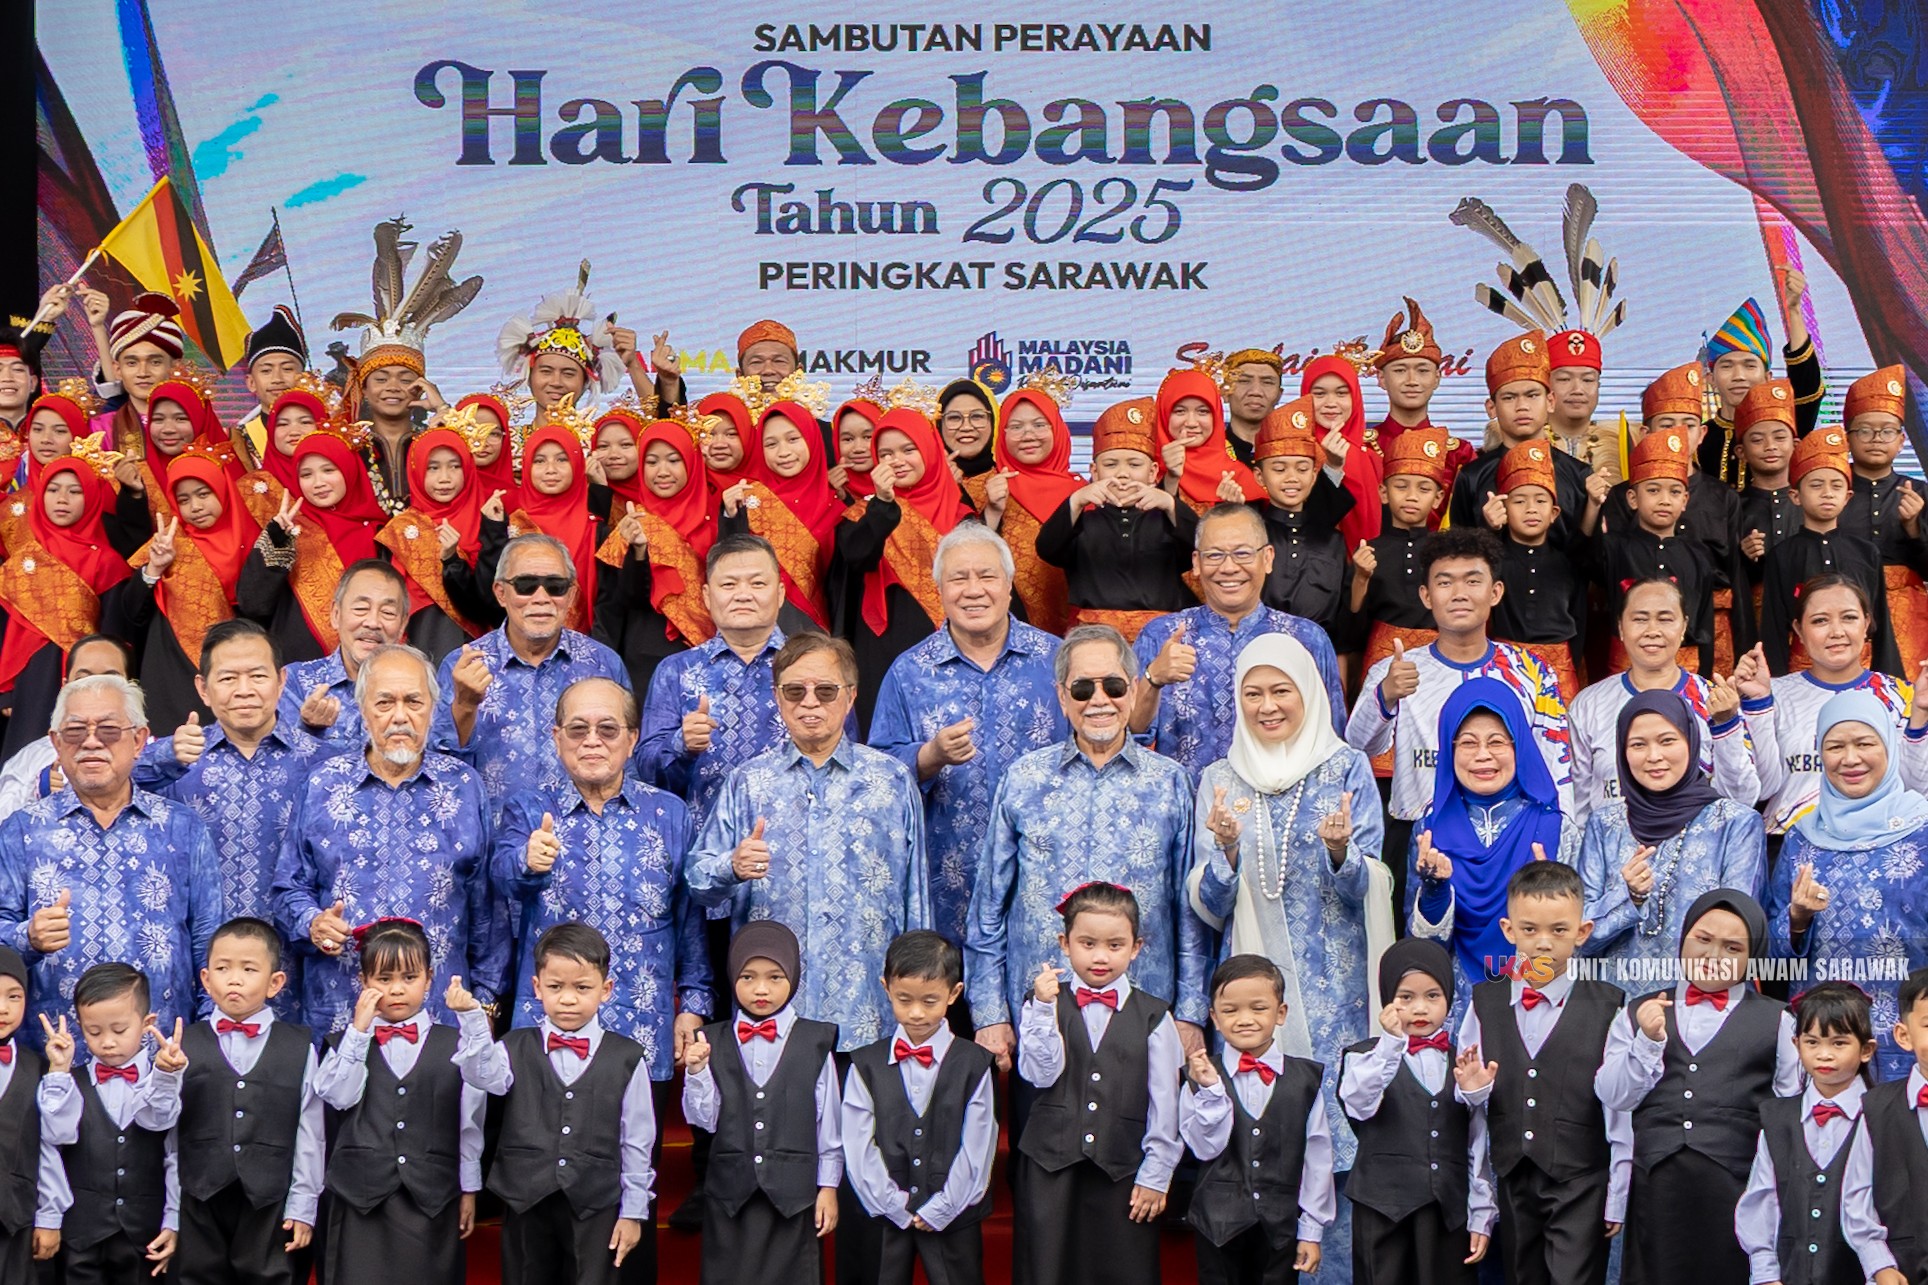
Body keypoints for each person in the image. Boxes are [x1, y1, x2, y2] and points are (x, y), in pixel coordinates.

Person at [1187, 631, 1386, 1220]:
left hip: (1336, 994)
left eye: (1282, 690)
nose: (1267, 706)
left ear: (1310, 693)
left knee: (1336, 1142)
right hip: (1251, 997)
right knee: (1259, 1144)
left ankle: (1334, 1262)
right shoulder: (1220, 779)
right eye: (1253, 693)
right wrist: (1225, 853)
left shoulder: (1346, 768)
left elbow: (1368, 887)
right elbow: (1208, 904)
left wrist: (1341, 853)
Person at [967, 626, 1207, 1072]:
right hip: (1041, 1017)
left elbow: (1188, 912)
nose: (1099, 700)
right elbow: (988, 907)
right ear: (1062, 697)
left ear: (1132, 691)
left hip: (1143, 1015)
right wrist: (989, 1013)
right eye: (1082, 688)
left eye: (1113, 686)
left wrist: (1191, 1012)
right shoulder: (1024, 779)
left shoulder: (1170, 782)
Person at [687, 632, 929, 1052]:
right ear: (778, 698)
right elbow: (696, 881)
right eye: (795, 691)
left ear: (850, 696)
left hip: (868, 1014)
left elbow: (917, 903)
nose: (810, 703)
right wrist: (732, 866)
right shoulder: (748, 783)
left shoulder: (891, 781)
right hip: (773, 1016)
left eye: (826, 691)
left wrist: (918, 999)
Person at [272, 643, 503, 1035]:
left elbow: (488, 910)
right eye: (384, 703)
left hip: (441, 1021)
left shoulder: (465, 786)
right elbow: (287, 888)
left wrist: (485, 1004)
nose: (400, 716)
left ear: (433, 708)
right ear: (363, 710)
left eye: (413, 701)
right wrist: (313, 923)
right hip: (341, 1013)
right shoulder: (323, 783)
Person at [1347, 528, 1575, 918]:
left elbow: (1556, 761)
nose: (1459, 593)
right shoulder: (1394, 670)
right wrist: (1385, 696)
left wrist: (1560, 834)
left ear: (1496, 592)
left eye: (1473, 581)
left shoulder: (1532, 671)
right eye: (1444, 582)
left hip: (1511, 838)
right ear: (1425, 595)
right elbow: (1357, 747)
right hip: (1417, 834)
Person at [494, 677, 710, 1081]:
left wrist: (693, 1004)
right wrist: (527, 861)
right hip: (547, 1031)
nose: (592, 741)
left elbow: (689, 918)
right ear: (557, 738)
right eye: (578, 729)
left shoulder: (670, 814)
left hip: (642, 1026)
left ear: (632, 739)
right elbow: (502, 879)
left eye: (608, 729)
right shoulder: (529, 809)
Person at [868, 525, 1065, 948]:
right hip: (947, 878)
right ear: (939, 589)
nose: (973, 590)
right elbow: (876, 775)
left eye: (986, 576)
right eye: (958, 578)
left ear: (1009, 585)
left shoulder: (1055, 660)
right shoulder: (909, 671)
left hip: (1044, 869)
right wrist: (930, 755)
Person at [1594, 888, 1801, 1285]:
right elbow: (1613, 1096)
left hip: (1738, 1191)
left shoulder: (1778, 1021)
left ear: (1753, 957)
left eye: (1732, 948)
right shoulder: (1636, 1013)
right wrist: (1647, 1042)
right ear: (1683, 938)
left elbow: (1790, 1111)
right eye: (1702, 939)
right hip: (1656, 1190)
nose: (1713, 955)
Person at [0, 673, 221, 1039]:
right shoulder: (20, 831)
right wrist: (29, 937)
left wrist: (207, 1040)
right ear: (56, 743)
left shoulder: (182, 828)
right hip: (54, 1052)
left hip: (163, 1048)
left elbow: (209, 940)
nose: (91, 742)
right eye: (75, 731)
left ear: (138, 740)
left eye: (108, 730)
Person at [1456, 860, 1629, 1285]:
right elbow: (1471, 1110)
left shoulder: (1609, 1006)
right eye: (1530, 929)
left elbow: (1621, 1109)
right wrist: (1473, 1090)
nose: (1544, 942)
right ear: (1508, 930)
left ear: (1582, 932)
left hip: (1582, 1181)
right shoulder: (1484, 1002)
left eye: (1559, 930)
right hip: (1514, 1176)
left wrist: (1618, 1193)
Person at [135, 620, 317, 1022]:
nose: (244, 690)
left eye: (258, 676)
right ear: (203, 688)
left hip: (295, 967)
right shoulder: (178, 758)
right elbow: (105, 784)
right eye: (228, 678)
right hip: (201, 970)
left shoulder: (320, 762)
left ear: (281, 681)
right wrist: (161, 758)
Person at [454, 923, 656, 1285]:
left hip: (595, 1201)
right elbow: (480, 1075)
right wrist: (472, 1019)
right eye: (555, 986)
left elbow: (637, 1139)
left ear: (606, 989)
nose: (568, 999)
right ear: (537, 988)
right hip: (525, 1197)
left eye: (582, 988)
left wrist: (634, 1211)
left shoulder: (627, 1057)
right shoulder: (513, 1046)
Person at [1011, 882, 1182, 1285]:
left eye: (1115, 945)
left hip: (1121, 1171)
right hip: (1050, 1168)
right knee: (1047, 1269)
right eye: (1087, 944)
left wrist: (1156, 1175)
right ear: (1065, 944)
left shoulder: (1155, 1016)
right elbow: (1039, 1074)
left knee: (1121, 1269)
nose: (1101, 956)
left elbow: (1165, 1104)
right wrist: (1043, 1009)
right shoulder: (1042, 1003)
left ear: (1135, 948)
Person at [1766, 690, 1928, 1081]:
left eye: (1865, 743)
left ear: (1888, 746)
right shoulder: (1802, 837)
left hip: (1906, 1042)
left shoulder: (1922, 831)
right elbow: (1768, 954)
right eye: (1835, 746)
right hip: (1823, 1044)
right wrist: (1796, 920)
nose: (1850, 759)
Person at [312, 917, 484, 1285]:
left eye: (409, 978)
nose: (397, 990)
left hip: (431, 1198)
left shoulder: (457, 1045)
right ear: (364, 982)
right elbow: (339, 1096)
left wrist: (469, 1189)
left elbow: (469, 1123)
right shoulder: (343, 1044)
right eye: (384, 979)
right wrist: (358, 1032)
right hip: (359, 1199)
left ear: (429, 978)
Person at [1132, 503, 1346, 781]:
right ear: (1196, 563)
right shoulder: (1160, 635)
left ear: (1267, 558)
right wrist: (1153, 679)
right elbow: (1130, 737)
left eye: (1242, 553)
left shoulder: (1305, 638)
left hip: (1280, 801)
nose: (1229, 567)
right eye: (1214, 555)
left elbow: (1332, 737)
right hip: (1188, 802)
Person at [681, 920, 842, 1284]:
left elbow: (828, 1125)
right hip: (730, 1198)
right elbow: (704, 1120)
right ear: (732, 977)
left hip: (793, 1198)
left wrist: (829, 1187)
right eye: (748, 977)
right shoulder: (710, 1040)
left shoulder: (815, 1041)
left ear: (793, 978)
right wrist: (697, 1072)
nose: (761, 989)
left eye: (775, 977)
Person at [840, 930, 996, 1285]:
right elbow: (857, 1144)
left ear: (953, 993)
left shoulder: (974, 1064)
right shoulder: (865, 1064)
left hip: (953, 1213)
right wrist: (891, 1204)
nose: (915, 1013)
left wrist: (945, 1206)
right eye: (904, 999)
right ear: (886, 988)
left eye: (929, 1001)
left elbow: (979, 1145)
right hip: (883, 1216)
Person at [175, 916, 325, 1285]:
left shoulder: (299, 1047)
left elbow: (311, 1133)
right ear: (205, 979)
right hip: (198, 1199)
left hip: (271, 1200)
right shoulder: (181, 1045)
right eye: (223, 968)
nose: (235, 979)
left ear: (275, 983)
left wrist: (303, 1207)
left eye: (249, 969)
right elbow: (167, 1133)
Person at [435, 532, 631, 812]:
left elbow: (627, 763)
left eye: (555, 586)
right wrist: (465, 706)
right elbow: (437, 767)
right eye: (526, 585)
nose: (541, 598)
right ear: (500, 593)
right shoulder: (463, 665)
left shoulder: (602, 664)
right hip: (493, 833)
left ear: (571, 595)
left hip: (581, 833)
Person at [1408, 678, 1572, 1009]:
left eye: (1496, 742)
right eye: (1468, 743)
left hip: (1537, 995)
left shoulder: (1553, 828)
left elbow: (1579, 935)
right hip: (1457, 1004)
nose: (1483, 755)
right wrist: (1435, 890)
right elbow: (1422, 947)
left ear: (1518, 746)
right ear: (1450, 749)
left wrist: (1547, 900)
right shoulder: (1429, 832)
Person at [1575, 691, 1766, 972]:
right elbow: (1578, 937)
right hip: (1612, 996)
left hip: (1698, 994)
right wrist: (1629, 897)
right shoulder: (1604, 824)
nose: (1654, 756)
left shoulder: (1735, 824)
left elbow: (1738, 934)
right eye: (1638, 744)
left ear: (1691, 742)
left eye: (1667, 741)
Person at [1340, 938, 1495, 1285]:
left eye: (1432, 996)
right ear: (1387, 999)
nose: (1420, 1009)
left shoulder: (1463, 1062)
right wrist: (1390, 1045)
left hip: (1447, 1213)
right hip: (1383, 1213)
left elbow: (1476, 1145)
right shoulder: (1365, 1058)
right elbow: (1358, 1104)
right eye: (1406, 997)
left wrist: (1481, 1213)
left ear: (1449, 998)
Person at [1734, 576, 1928, 842]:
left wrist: (1920, 716)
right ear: (1798, 629)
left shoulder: (1904, 696)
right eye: (1820, 621)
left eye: (1849, 618)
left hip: (1881, 843)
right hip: (1789, 843)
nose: (1836, 631)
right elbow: (1761, 789)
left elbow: (1917, 789)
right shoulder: (1771, 693)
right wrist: (1758, 706)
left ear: (1866, 623)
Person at [1180, 953, 1334, 1285]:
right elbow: (1204, 1149)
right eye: (1230, 1010)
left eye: (1258, 1008)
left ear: (1281, 1013)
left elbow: (1317, 1158)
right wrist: (1211, 1092)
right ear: (1214, 1017)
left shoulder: (1305, 1081)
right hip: (1216, 1227)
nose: (1245, 1019)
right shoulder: (1198, 1078)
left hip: (1279, 1229)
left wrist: (1311, 1230)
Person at [37, 962, 187, 1282]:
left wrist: (173, 1219)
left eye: (119, 1030)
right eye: (93, 1032)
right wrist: (59, 1072)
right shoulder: (67, 1084)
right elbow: (55, 1136)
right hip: (80, 1236)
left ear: (147, 1023)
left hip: (144, 1236)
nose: (106, 1042)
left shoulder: (161, 1082)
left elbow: (172, 1150)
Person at [635, 535, 792, 839]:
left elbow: (844, 758)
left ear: (780, 593)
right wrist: (681, 745)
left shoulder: (810, 667)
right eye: (729, 585)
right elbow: (645, 773)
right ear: (707, 596)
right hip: (701, 849)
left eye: (758, 583)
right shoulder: (676, 671)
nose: (743, 595)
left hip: (792, 846)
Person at [830, 408, 976, 731]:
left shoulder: (961, 514)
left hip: (953, 642)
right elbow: (857, 556)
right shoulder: (862, 514)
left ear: (929, 451)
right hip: (883, 645)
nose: (897, 461)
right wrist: (883, 503)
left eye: (908, 449)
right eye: (885, 454)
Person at [1566, 580, 1757, 825]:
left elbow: (1742, 799)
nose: (1652, 630)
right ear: (1621, 628)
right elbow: (1576, 802)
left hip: (1695, 843)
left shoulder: (1715, 701)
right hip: (1611, 844)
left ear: (1684, 627)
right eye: (1640, 619)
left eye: (1665, 619)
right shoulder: (1589, 704)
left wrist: (1726, 724)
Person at [0, 452, 148, 756]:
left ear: (91, 498)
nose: (62, 499)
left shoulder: (106, 562)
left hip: (86, 681)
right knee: (28, 761)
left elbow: (116, 635)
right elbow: (9, 630)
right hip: (30, 682)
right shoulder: (24, 560)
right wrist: (6, 690)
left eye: (75, 491)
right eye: (53, 490)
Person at [332, 217, 479, 514]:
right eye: (381, 378)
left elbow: (479, 484)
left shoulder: (439, 444)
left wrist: (443, 410)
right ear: (363, 386)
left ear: (421, 387)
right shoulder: (346, 448)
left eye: (405, 378)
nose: (393, 387)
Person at [1732, 982, 1876, 1285]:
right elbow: (1762, 1197)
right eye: (1812, 1042)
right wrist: (1765, 1273)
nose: (1824, 1055)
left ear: (1866, 1050)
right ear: (1796, 1045)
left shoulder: (1881, 1115)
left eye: (1839, 1043)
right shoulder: (1778, 1118)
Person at [1036, 396, 1198, 641]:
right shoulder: (1082, 523)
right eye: (1111, 464)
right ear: (1094, 471)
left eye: (1134, 464)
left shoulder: (1167, 520)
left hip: (1160, 638)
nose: (1122, 474)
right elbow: (1047, 549)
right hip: (1093, 639)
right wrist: (1076, 500)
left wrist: (1170, 503)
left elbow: (1201, 546)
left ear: (1152, 472)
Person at [124, 443, 260, 729]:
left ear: (224, 491)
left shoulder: (255, 543)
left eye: (203, 494)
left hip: (235, 672)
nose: (195, 507)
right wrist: (154, 568)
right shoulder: (169, 545)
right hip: (170, 672)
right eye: (183, 500)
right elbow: (132, 613)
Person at [237, 427, 392, 663]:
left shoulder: (381, 534)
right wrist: (275, 541)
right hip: (301, 668)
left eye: (328, 470)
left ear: (350, 470)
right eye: (306, 474)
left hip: (375, 666)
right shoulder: (289, 531)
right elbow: (253, 605)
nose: (318, 483)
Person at [1760, 426, 1900, 676]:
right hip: (1801, 671)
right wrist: (1775, 684)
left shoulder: (1867, 553)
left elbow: (1880, 620)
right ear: (1795, 496)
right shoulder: (1782, 555)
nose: (1827, 494)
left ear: (1847, 497)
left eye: (1836, 486)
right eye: (1816, 485)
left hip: (1861, 668)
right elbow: (1774, 627)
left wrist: (1889, 679)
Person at [594, 417, 718, 696]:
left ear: (692, 463)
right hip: (646, 660)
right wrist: (637, 552)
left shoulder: (716, 521)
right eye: (651, 462)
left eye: (673, 460)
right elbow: (618, 602)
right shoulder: (634, 522)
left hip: (710, 652)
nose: (662, 471)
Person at [1594, 429, 1724, 676]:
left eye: (1674, 492)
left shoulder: (1698, 554)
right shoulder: (1615, 547)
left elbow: (1704, 620)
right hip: (1626, 663)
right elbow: (1582, 557)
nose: (1664, 500)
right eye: (1653, 490)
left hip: (1685, 664)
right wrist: (1592, 506)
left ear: (1685, 500)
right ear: (1633, 499)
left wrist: (1704, 677)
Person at [1447, 333, 1594, 549]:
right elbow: (1457, 553)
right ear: (1491, 408)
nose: (1522, 406)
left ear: (1550, 401)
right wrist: (1488, 529)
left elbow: (1590, 556)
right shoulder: (1472, 476)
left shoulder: (1579, 475)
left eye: (1532, 395)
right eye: (1509, 397)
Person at [377, 425, 495, 663]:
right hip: (421, 642)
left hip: (483, 647)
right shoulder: (400, 530)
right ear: (416, 470)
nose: (444, 478)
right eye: (433, 468)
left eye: (455, 466)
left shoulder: (490, 520)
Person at [1840, 966, 1928, 1285]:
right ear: (1904, 1035)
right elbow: (1856, 1197)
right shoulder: (1876, 1109)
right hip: (1902, 1270)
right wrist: (1879, 1264)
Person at [723, 396, 840, 632]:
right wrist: (730, 517)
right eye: (771, 444)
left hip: (816, 633)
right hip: (754, 629)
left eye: (793, 439)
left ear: (812, 439)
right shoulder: (745, 500)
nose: (783, 452)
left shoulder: (838, 507)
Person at [1839, 365, 1928, 675]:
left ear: (1901, 440)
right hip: (1844, 607)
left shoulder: (1920, 492)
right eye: (1865, 430)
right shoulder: (1832, 489)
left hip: (1908, 615)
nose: (1876, 439)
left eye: (1887, 431)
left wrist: (1914, 528)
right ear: (1847, 439)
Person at [272, 558, 409, 753]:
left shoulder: (419, 688)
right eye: (361, 609)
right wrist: (308, 730)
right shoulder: (294, 682)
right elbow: (275, 764)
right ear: (336, 615)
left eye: (387, 612)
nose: (373, 622)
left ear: (402, 624)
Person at [1696, 281, 1823, 486]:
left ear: (1767, 378)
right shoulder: (1698, 439)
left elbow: (1807, 386)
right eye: (1727, 366)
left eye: (1749, 366)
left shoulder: (1786, 429)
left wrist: (1794, 311)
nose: (1739, 376)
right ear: (1711, 379)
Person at [1246, 397, 1354, 634]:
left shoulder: (1332, 540)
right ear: (1259, 476)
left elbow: (1344, 612)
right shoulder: (1251, 534)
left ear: (1314, 476)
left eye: (1302, 469)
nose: (1292, 478)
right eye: (1279, 469)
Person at [983, 381, 1082, 634]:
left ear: (1057, 429)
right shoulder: (984, 487)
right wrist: (991, 513)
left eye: (1039, 425)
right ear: (1002, 434)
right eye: (1016, 427)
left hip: (1078, 630)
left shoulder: (1084, 493)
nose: (1028, 435)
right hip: (1005, 630)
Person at [1489, 441, 1586, 699]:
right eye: (1519, 501)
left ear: (1554, 513)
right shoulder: (1493, 560)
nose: (1531, 508)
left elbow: (1579, 619)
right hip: (1505, 664)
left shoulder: (1567, 562)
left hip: (1559, 668)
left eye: (1540, 500)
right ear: (1504, 509)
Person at [0, 634, 132, 818]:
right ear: (65, 686)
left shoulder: (154, 751)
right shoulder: (35, 756)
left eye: (110, 680)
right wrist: (36, 791)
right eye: (83, 679)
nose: (95, 689)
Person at [503, 420, 611, 634]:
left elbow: (609, 598)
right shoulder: (511, 521)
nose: (551, 470)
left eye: (562, 459)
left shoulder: (594, 527)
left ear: (577, 464)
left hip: (586, 641)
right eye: (539, 461)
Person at [0, 943, 69, 1275]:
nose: (3, 1008)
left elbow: (49, 1146)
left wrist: (50, 1216)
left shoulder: (38, 1068)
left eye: (14, 996)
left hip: (15, 1219)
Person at [1368, 300, 1476, 510]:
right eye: (1400, 370)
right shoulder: (1362, 448)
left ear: (1437, 378)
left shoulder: (1458, 454)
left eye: (1422, 371)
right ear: (1381, 378)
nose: (1412, 381)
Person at [494, 270, 628, 420]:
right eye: (546, 371)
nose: (556, 382)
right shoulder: (500, 435)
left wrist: (634, 367)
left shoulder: (602, 436)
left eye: (568, 374)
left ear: (586, 382)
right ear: (529, 376)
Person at [1300, 351, 1383, 553]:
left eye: (1341, 393)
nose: (1331, 403)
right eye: (1319, 394)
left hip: (1370, 564)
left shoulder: (1371, 457)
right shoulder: (1295, 451)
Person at [1155, 366, 1264, 516]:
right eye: (1180, 411)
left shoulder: (1236, 477)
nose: (1191, 422)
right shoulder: (1145, 468)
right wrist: (1170, 480)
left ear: (1216, 416)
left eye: (1203, 411)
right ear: (1164, 414)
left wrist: (1234, 513)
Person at [88, 293, 184, 455]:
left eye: (155, 362)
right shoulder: (100, 430)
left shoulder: (196, 424)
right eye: (132, 363)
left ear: (175, 368)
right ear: (118, 370)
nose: (143, 372)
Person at [1734, 384, 1804, 599]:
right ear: (1741, 452)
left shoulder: (1811, 502)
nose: (1770, 446)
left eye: (1779, 437)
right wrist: (1744, 556)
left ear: (1796, 446)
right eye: (1757, 440)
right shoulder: (1732, 506)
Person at [233, 306, 309, 469]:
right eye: (266, 371)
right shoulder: (240, 440)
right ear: (251, 383)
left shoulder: (326, 427)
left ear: (304, 378)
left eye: (287, 369)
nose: (277, 379)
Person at [1217, 348, 1284, 467]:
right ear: (1225, 392)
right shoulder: (1207, 452)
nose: (1256, 391)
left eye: (1267, 382)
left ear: (1279, 395)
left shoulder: (1295, 453)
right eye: (1244, 381)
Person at [937, 378, 999, 480]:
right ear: (938, 425)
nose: (966, 427)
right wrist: (943, 486)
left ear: (994, 421)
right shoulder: (919, 478)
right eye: (954, 417)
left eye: (977, 416)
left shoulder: (1014, 476)